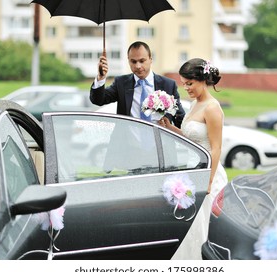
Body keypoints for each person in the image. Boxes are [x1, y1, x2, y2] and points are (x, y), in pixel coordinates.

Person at [160, 58, 228, 260]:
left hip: (209, 176)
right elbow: (192, 138)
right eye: (184, 84)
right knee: (188, 231)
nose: (186, 88)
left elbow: (216, 148)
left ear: (202, 80)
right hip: (193, 173)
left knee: (202, 230)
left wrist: (208, 182)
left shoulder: (212, 108)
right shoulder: (194, 105)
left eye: (189, 83)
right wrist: (171, 128)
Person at [90, 41, 185, 128]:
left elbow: (180, 118)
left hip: (159, 143)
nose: (138, 66)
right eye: (133, 61)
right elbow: (98, 100)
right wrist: (100, 78)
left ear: (150, 59)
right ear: (128, 61)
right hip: (128, 144)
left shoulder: (168, 85)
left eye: (142, 61)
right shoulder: (121, 83)